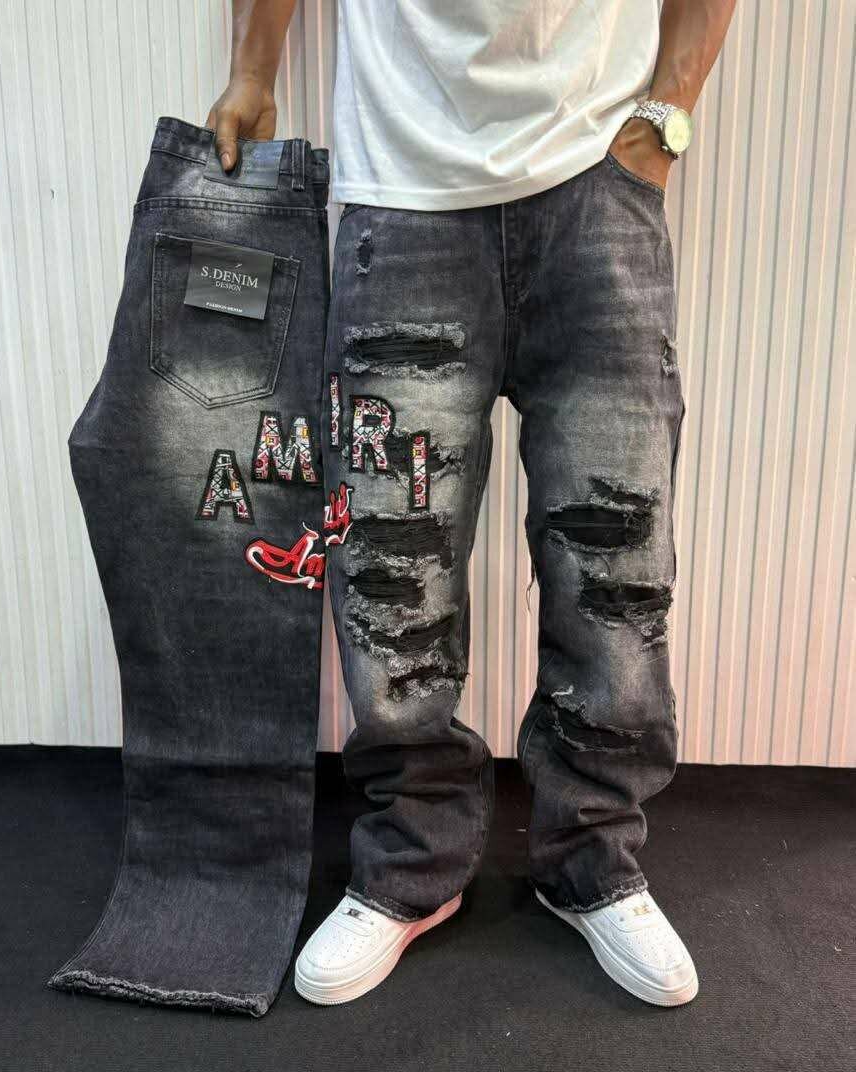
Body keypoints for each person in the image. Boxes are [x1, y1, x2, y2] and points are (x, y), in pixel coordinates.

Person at [208, 0, 736, 1008]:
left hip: (597, 186)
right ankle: (412, 858)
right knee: (391, 576)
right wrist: (252, 73)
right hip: (402, 186)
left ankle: (594, 859)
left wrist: (666, 117)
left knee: (616, 565)